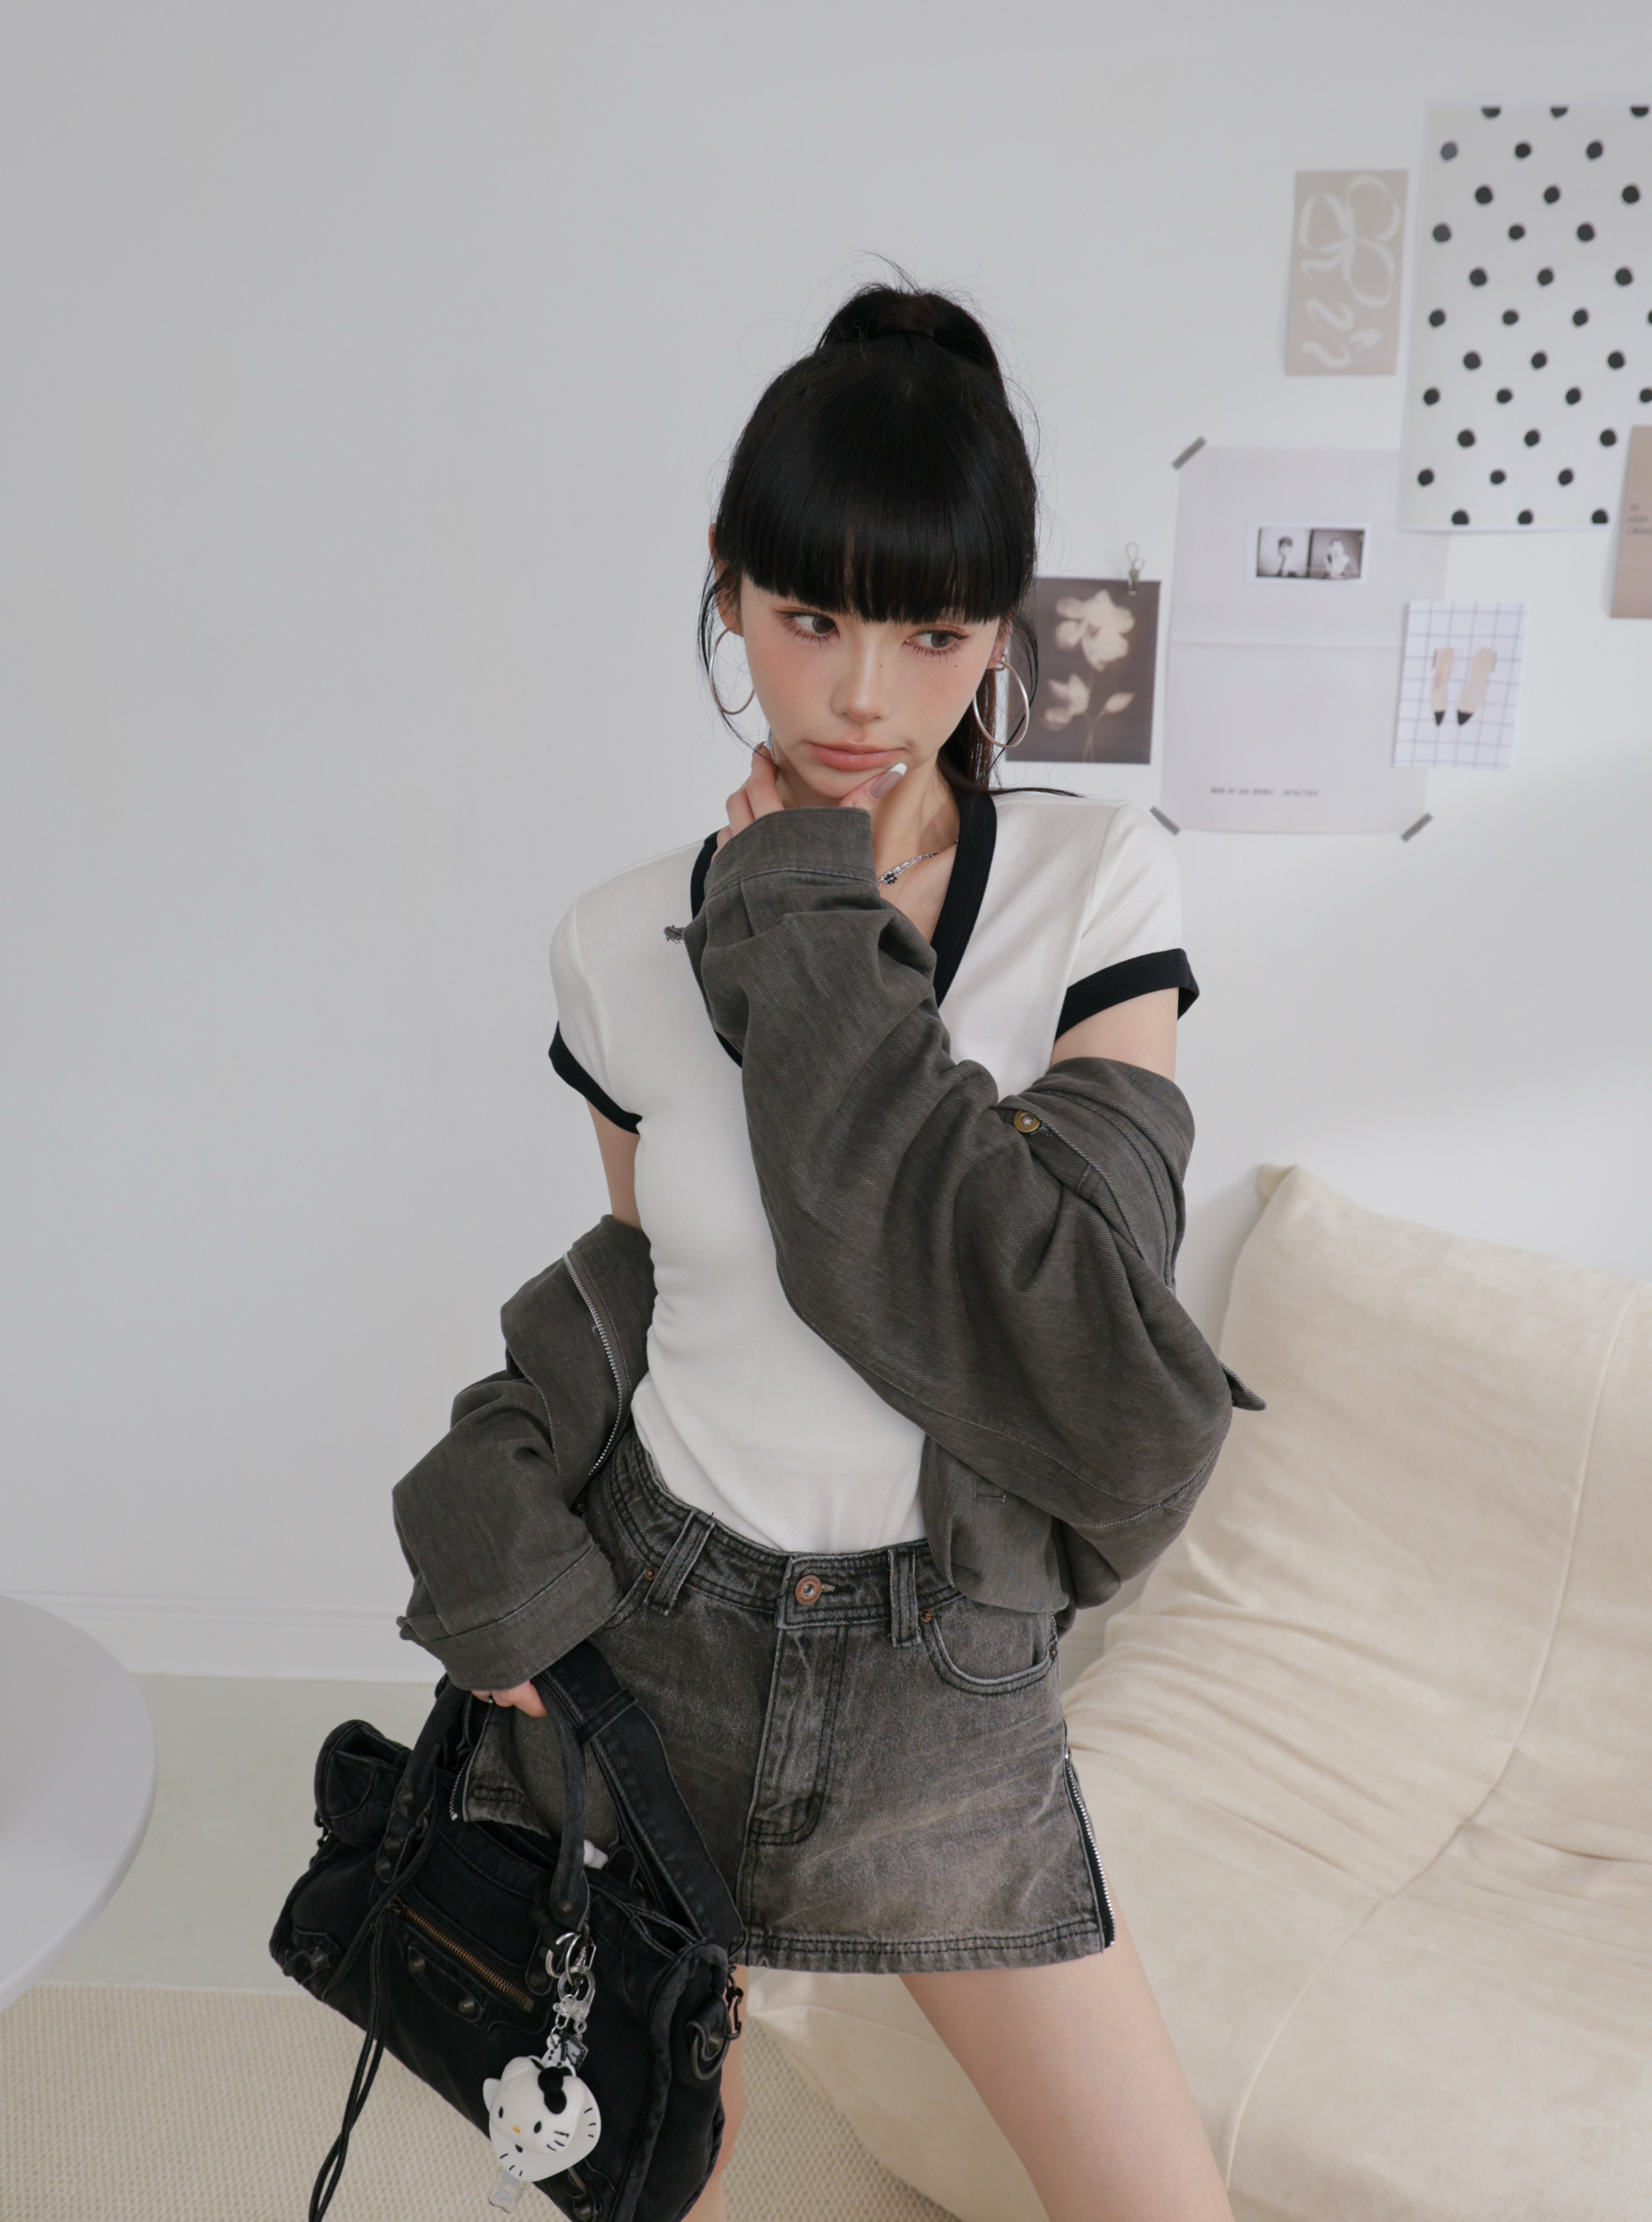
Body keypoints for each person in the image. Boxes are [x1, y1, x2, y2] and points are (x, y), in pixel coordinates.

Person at [394, 283, 1253, 2222]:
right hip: (657, 1631)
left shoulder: (1095, 884)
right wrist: (506, 1540)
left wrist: (800, 909)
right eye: (808, 620)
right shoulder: (613, 939)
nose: (862, 695)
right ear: (729, 586)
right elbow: (646, 1292)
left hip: (942, 1665)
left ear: (1002, 627)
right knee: (648, 2186)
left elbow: (1065, 1343)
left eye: (931, 634)